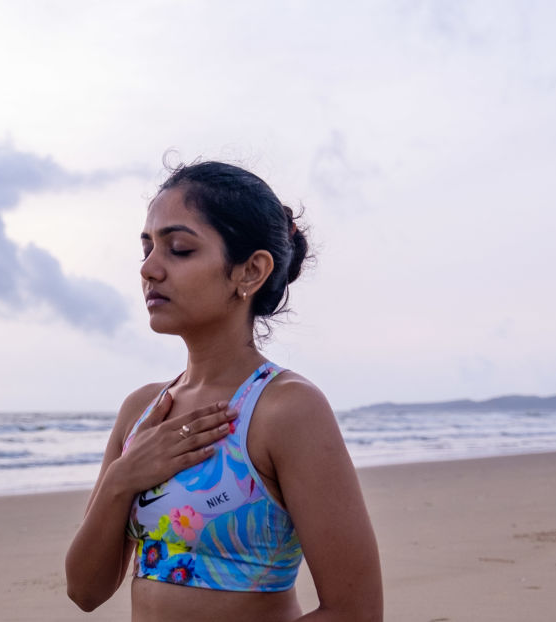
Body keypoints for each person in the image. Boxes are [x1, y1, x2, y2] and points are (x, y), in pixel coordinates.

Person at [65, 161, 383, 621]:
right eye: (147, 248)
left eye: (178, 249)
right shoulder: (142, 410)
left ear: (250, 272)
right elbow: (84, 591)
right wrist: (122, 479)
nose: (150, 269)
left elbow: (356, 612)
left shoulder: (285, 408)